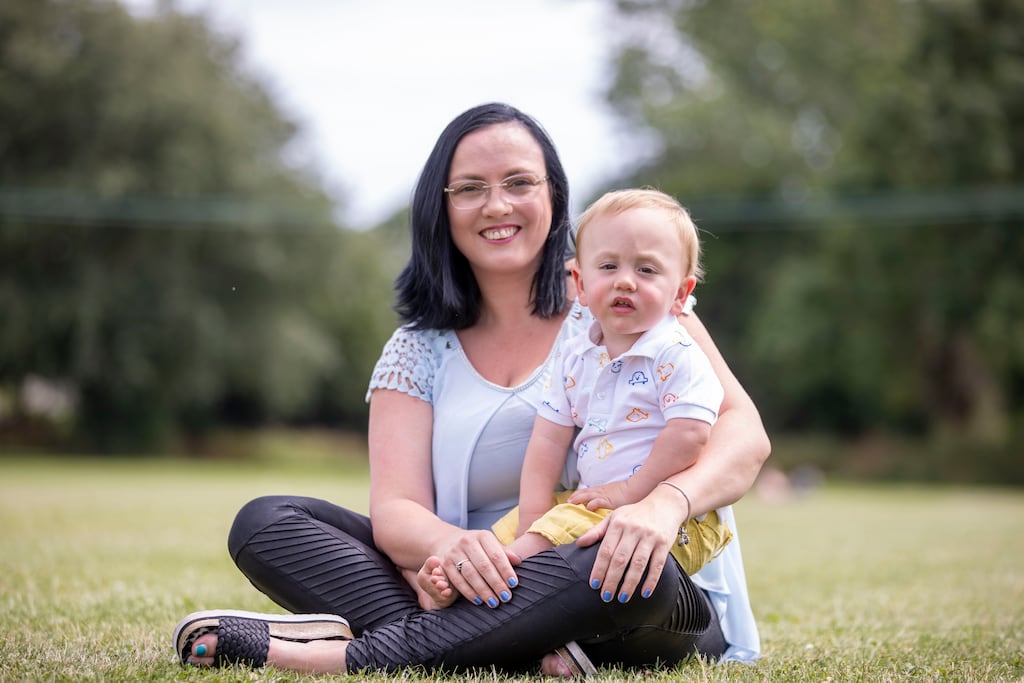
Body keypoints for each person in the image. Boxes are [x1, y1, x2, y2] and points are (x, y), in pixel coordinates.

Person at [172, 102, 771, 676]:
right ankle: (520, 650)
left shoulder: (631, 303)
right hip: (468, 573)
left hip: (628, 586)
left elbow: (743, 436)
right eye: (470, 188)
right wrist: (458, 550)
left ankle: (341, 657)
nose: (496, 205)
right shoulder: (417, 349)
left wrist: (663, 504)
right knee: (268, 521)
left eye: (519, 182)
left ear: (553, 197)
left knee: (618, 560)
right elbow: (396, 511)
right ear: (443, 206)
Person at [423, 188, 730, 611]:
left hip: (676, 520)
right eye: (609, 266)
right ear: (582, 285)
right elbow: (547, 440)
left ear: (681, 293)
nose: (625, 280)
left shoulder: (675, 352)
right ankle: (478, 572)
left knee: (555, 544)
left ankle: (488, 588)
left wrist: (631, 490)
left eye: (646, 269)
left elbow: (690, 435)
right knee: (518, 527)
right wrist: (531, 516)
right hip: (596, 501)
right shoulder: (575, 356)